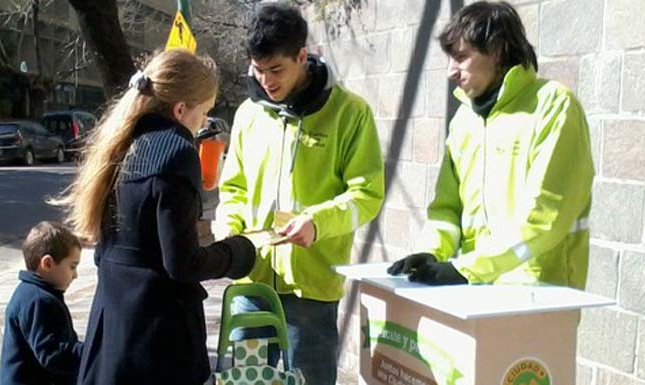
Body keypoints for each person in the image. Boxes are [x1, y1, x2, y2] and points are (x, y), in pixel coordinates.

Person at [59, 49, 259, 385]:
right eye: (204, 114)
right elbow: (182, 264)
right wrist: (238, 253)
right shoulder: (176, 152)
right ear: (181, 109)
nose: (203, 125)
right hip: (157, 337)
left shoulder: (121, 143)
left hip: (113, 325)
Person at [215, 3, 385, 384]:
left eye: (277, 70)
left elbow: (367, 194)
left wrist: (318, 222)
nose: (267, 81)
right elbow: (234, 187)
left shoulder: (350, 113)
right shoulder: (247, 114)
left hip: (311, 290)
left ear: (302, 57)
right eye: (258, 71)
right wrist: (228, 227)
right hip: (251, 284)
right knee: (244, 379)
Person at [388, 1, 594, 289]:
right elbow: (446, 208)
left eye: (461, 57)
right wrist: (432, 250)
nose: (451, 71)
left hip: (538, 293)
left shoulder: (553, 105)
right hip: (476, 292)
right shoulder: (465, 120)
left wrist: (468, 269)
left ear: (496, 51)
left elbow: (545, 216)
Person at [0, 221, 83, 385]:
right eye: (72, 267)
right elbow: (53, 354)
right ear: (47, 264)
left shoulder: (29, 292)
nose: (76, 275)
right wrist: (91, 352)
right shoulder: (40, 301)